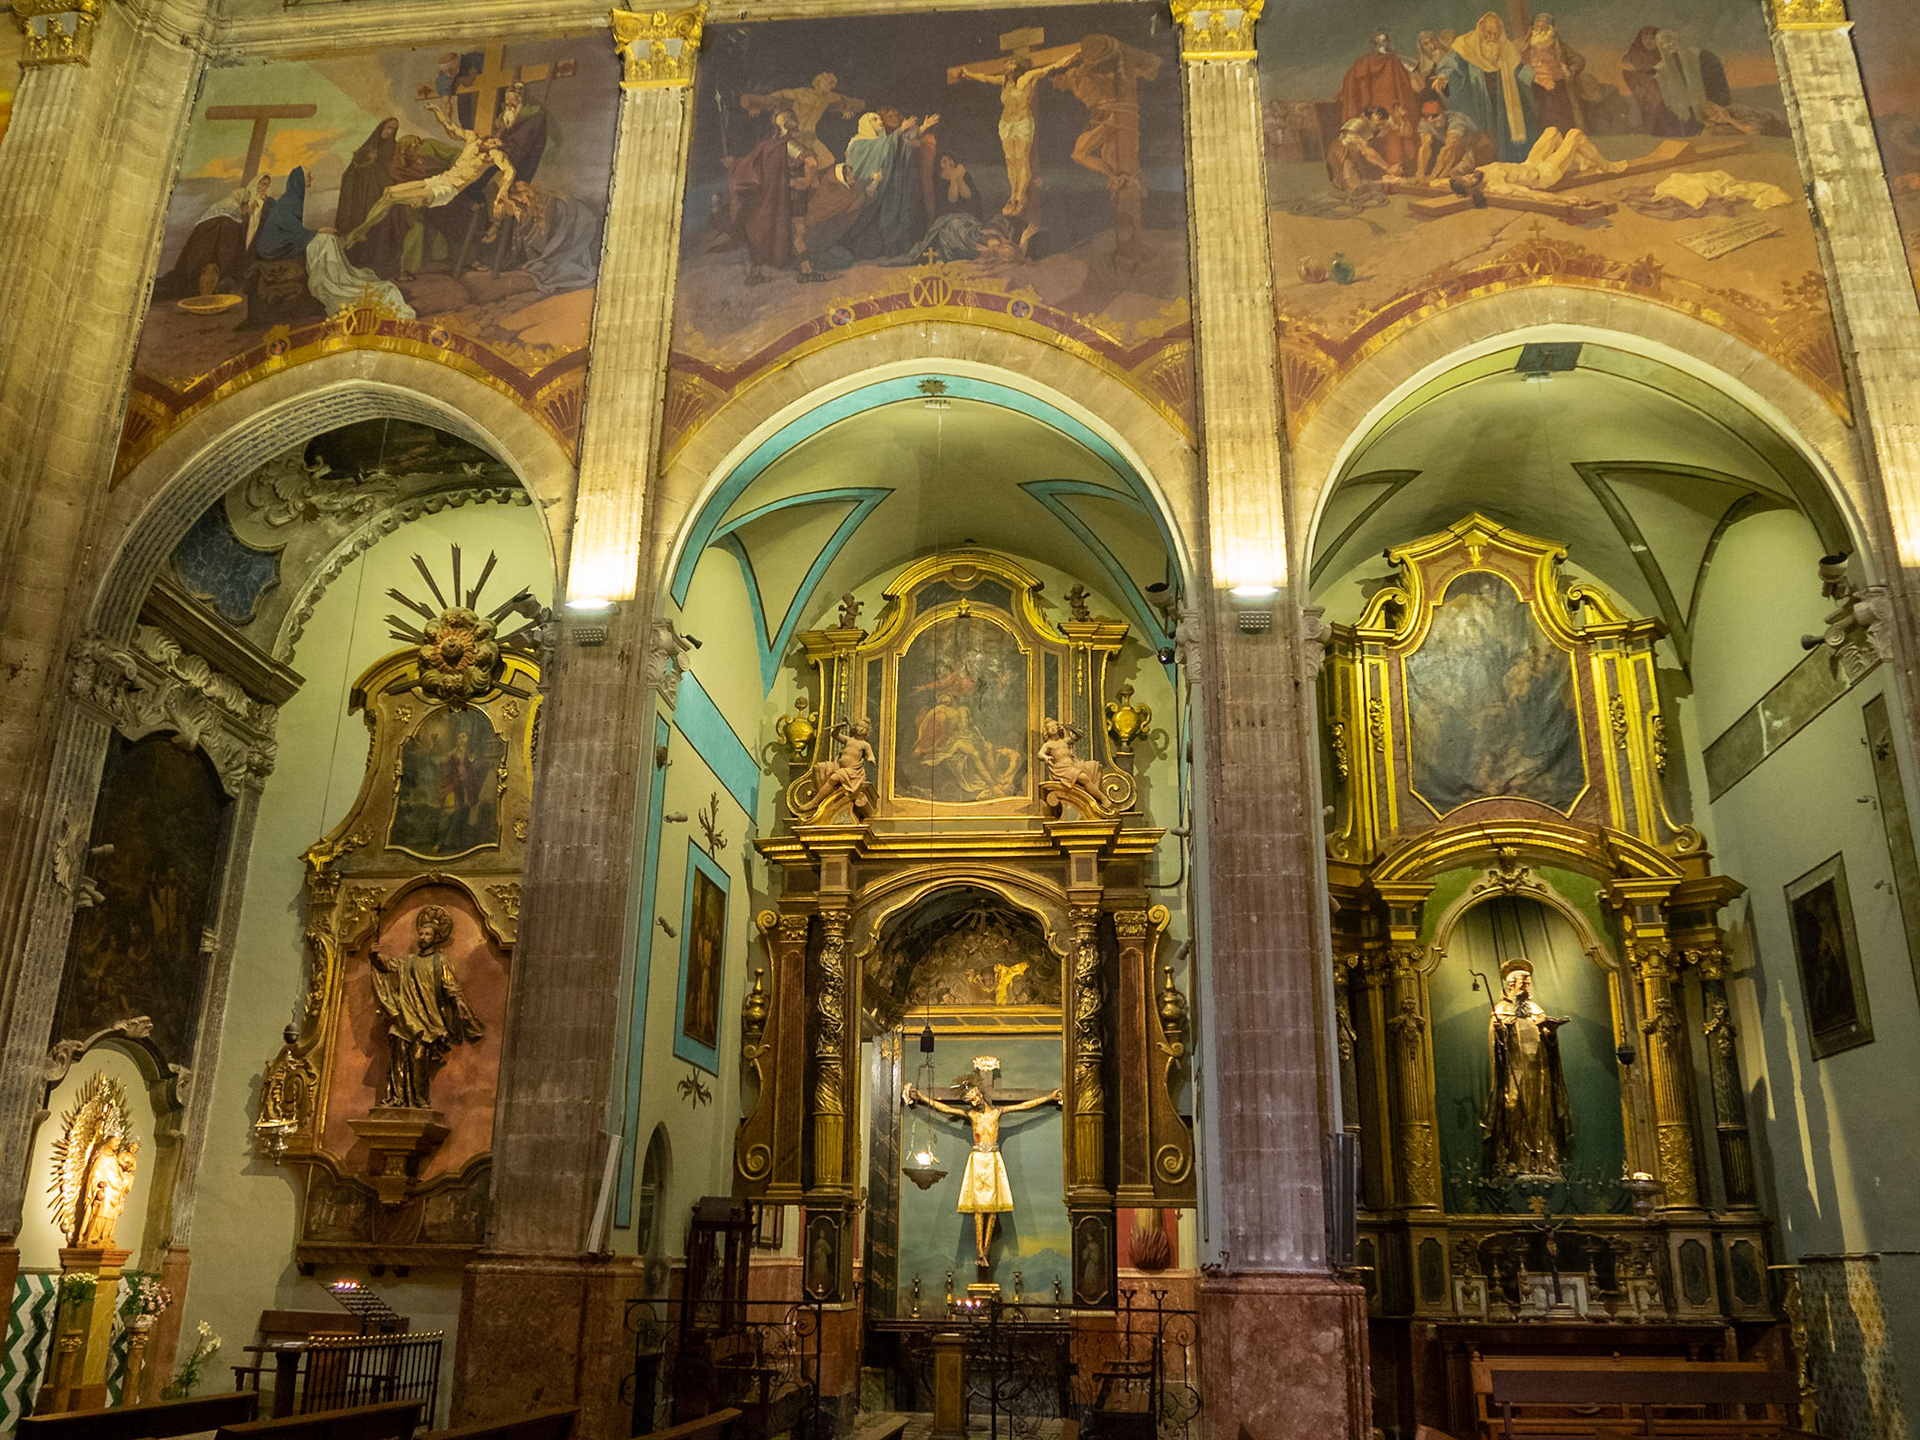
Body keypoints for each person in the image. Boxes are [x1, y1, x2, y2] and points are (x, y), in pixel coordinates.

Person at [904, 1076, 1062, 1270]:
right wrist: (920, 1097)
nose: (973, 1100)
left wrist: (1049, 1097)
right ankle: (979, 1251)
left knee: (993, 1208)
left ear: (979, 1093)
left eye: (974, 1096)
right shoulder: (972, 1116)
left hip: (994, 1159)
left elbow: (1024, 1106)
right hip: (978, 1159)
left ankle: (985, 1251)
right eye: (969, 1099)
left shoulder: (997, 1112)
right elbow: (945, 1109)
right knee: (979, 1209)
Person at [342, 96, 516, 248]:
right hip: (438, 179)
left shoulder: (493, 156)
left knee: (397, 198)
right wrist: (437, 111)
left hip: (448, 190)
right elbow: (449, 126)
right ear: (491, 137)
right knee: (388, 193)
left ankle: (357, 233)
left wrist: (501, 194)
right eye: (494, 142)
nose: (493, 146)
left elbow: (509, 172)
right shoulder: (472, 138)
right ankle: (360, 231)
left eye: (497, 146)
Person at [371, 904, 485, 1110]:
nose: (423, 937)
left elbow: (450, 986)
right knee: (397, 1060)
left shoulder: (440, 962)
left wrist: (458, 1001)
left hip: (426, 1020)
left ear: (436, 937)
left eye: (427, 934)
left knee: (417, 1059)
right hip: (404, 1018)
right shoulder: (408, 961)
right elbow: (386, 965)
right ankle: (397, 1098)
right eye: (421, 933)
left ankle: (420, 1098)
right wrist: (374, 956)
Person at [949, 50, 1075, 217]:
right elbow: (985, 78)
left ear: (1018, 66)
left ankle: (1020, 196)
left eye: (1010, 64)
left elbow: (1052, 66)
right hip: (1006, 124)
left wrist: (1073, 55)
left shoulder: (1028, 77)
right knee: (1010, 159)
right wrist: (967, 73)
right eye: (1007, 65)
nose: (1007, 67)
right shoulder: (1003, 82)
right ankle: (1012, 194)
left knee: (1021, 158)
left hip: (1022, 122)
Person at [1482, 958, 1572, 1179]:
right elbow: (1498, 1044)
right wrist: (1500, 1032)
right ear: (1512, 984)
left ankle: (1543, 1163)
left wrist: (1550, 1034)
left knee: (1540, 1114)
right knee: (1515, 1109)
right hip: (1516, 1070)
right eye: (1524, 981)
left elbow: (1548, 1044)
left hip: (1539, 1072)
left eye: (1529, 982)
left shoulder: (1535, 1009)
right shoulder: (1502, 1009)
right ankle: (1516, 1160)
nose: (1527, 985)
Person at [153, 172, 270, 300]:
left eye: (266, 185)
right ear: (255, 183)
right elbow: (234, 216)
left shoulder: (258, 203)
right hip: (215, 236)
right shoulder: (241, 197)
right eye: (262, 184)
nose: (263, 188)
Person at [1436, 13, 1535, 161]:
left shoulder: (1506, 47)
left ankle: (1506, 163)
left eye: (1496, 33)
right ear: (1481, 30)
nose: (1492, 37)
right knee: (1483, 137)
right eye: (1488, 32)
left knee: (1504, 134)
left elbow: (1519, 69)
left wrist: (1536, 76)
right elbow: (1451, 63)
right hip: (1478, 101)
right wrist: (1444, 75)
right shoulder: (1465, 44)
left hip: (1503, 102)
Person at [740, 72, 866, 170]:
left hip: (811, 138)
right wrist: (757, 105)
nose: (831, 86)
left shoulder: (829, 98)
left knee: (828, 161)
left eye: (833, 84)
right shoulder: (800, 93)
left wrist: (847, 109)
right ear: (817, 82)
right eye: (828, 82)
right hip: (792, 137)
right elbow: (778, 97)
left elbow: (845, 102)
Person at [1462, 124, 1624, 200]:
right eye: (1470, 182)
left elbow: (1441, 183)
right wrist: (1564, 199)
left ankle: (1582, 161)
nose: (1469, 177)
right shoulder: (1497, 186)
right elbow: (1530, 194)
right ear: (1475, 188)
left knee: (1552, 131)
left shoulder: (1480, 170)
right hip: (1544, 175)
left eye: (1466, 177)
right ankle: (1608, 166)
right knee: (1575, 135)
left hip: (1530, 164)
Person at [1339, 29, 1419, 173]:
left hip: (1384, 107)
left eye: (1384, 42)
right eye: (1381, 42)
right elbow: (1363, 148)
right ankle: (1395, 168)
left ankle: (1402, 167)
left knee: (1396, 133)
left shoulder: (1376, 62)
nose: (1383, 46)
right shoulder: (1392, 61)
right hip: (1379, 109)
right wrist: (1387, 168)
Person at [1520, 13, 1585, 135]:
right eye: (1537, 27)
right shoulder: (1524, 47)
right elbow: (1517, 68)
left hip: (1558, 88)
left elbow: (1578, 60)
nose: (1540, 30)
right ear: (1533, 29)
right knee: (1541, 121)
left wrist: (1569, 72)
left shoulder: (1558, 46)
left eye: (1544, 27)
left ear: (1550, 29)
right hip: (1536, 90)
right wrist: (1534, 77)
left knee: (1562, 122)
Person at [336, 117, 400, 240]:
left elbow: (393, 169)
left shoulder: (393, 148)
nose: (389, 131)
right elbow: (353, 168)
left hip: (379, 189)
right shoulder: (370, 143)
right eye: (388, 127)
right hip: (361, 190)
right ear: (382, 126)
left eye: (393, 129)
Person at [1622, 25, 1683, 137]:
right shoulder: (1632, 56)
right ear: (1640, 39)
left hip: (1666, 95)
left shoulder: (1662, 55)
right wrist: (1650, 73)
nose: (1649, 42)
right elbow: (1629, 74)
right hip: (1644, 95)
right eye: (1646, 38)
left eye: (1652, 39)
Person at [1413, 98, 1493, 181]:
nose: (1435, 120)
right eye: (1429, 118)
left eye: (1436, 115)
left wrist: (1434, 176)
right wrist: (1420, 174)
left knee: (1457, 175)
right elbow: (1425, 148)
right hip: (1460, 150)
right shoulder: (1425, 123)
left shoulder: (1456, 120)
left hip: (1479, 147)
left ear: (1442, 112)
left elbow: (1449, 148)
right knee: (1448, 176)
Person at [1326, 106, 1396, 193]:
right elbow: (1367, 151)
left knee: (1363, 182)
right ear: (1368, 118)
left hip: (1355, 152)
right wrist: (1387, 167)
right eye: (1378, 124)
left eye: (1382, 124)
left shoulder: (1380, 126)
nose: (1380, 127)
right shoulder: (1358, 123)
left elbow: (1403, 131)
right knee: (1354, 186)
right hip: (1341, 152)